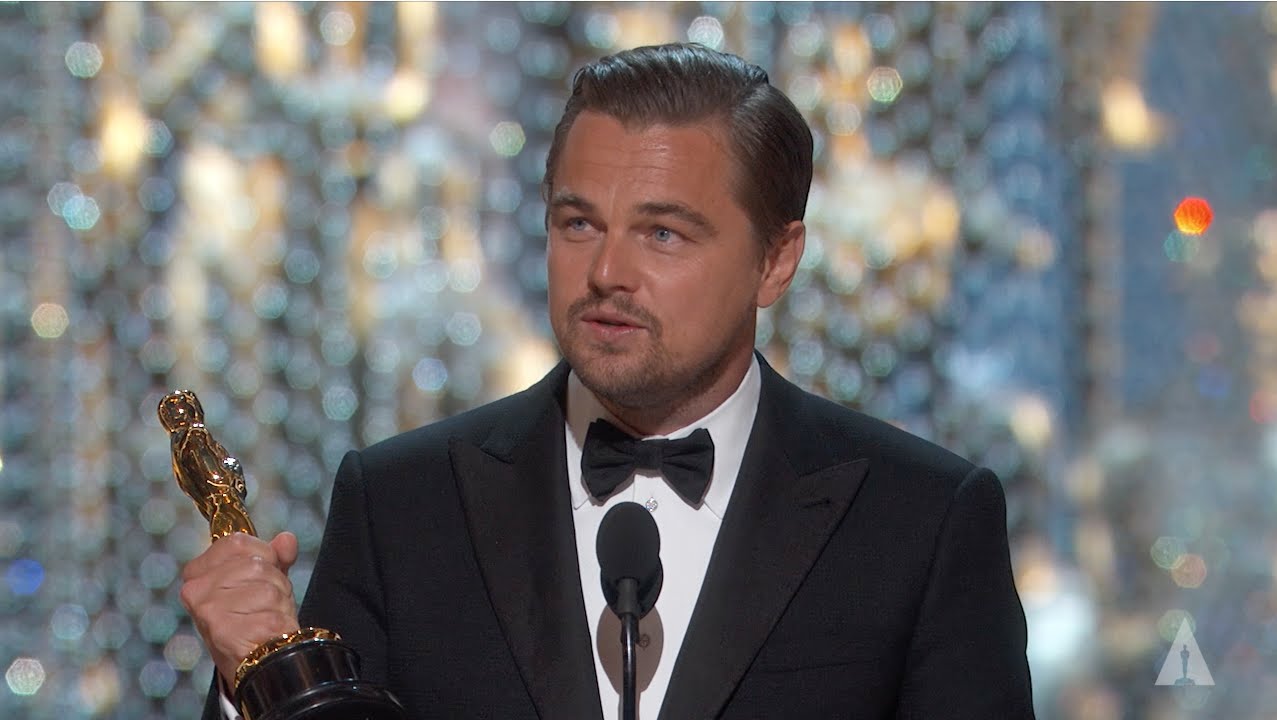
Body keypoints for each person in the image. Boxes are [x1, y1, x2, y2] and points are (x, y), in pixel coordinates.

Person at [180, 42, 1035, 719]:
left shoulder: (919, 522)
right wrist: (251, 673)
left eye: (663, 234)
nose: (606, 273)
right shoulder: (402, 505)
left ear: (776, 261)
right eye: (578, 223)